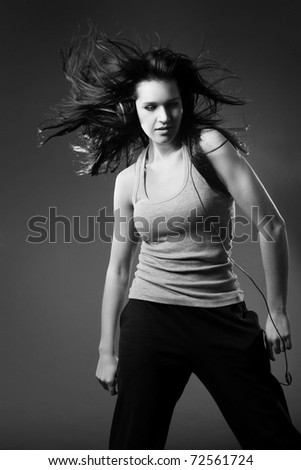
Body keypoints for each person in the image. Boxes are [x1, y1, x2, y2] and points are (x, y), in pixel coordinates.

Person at [39, 26, 301, 450]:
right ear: (134, 108)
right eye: (151, 107)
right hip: (150, 321)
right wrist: (108, 349)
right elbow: (119, 270)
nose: (163, 118)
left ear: (185, 105)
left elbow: (271, 225)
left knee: (277, 444)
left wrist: (277, 310)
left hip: (219, 316)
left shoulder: (209, 147)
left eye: (172, 105)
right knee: (131, 449)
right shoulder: (127, 181)